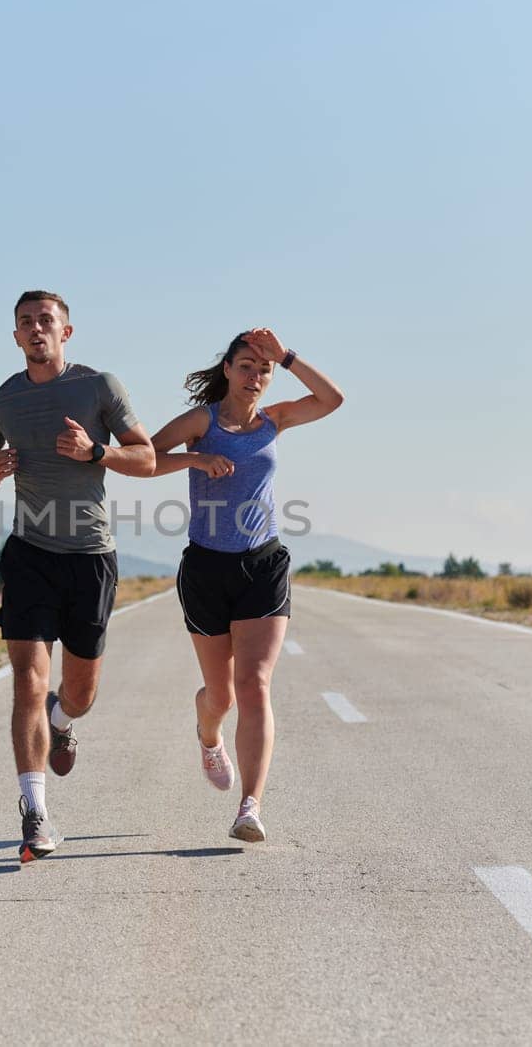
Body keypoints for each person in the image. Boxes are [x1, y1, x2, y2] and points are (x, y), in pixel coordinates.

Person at [0, 290, 156, 863]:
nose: (35, 329)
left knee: (80, 693)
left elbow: (146, 458)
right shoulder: (0, 402)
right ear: (16, 335)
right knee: (26, 679)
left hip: (90, 558)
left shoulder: (99, 387)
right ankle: (35, 813)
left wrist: (94, 452)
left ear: (66, 332)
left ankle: (63, 719)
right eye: (25, 323)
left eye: (45, 321)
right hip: (30, 554)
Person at [149, 328, 343, 842]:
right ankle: (208, 736)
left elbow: (332, 400)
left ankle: (250, 807)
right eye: (246, 366)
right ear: (228, 369)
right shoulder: (202, 420)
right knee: (221, 695)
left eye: (264, 369)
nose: (255, 377)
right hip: (207, 568)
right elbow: (145, 458)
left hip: (263, 563)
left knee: (254, 684)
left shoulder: (274, 421)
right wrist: (194, 458)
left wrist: (290, 356)